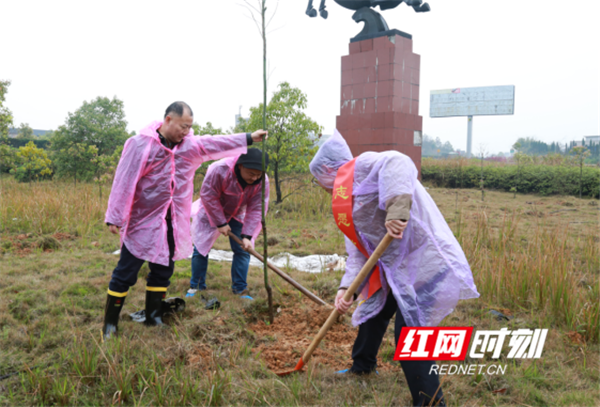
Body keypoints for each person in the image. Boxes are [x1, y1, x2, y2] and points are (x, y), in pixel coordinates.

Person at [309, 130, 479, 407]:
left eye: (321, 181)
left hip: (424, 264)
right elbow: (356, 254)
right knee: (373, 311)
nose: (324, 188)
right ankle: (362, 366)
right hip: (394, 271)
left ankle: (431, 402)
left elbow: (399, 162)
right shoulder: (347, 202)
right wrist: (345, 289)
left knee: (410, 332)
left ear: (330, 170)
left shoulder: (366, 166)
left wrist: (397, 208)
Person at [102, 101, 267, 339]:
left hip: (172, 221)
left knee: (163, 269)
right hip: (142, 220)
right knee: (126, 271)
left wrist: (249, 138)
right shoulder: (140, 144)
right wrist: (115, 216)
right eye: (183, 126)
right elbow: (124, 180)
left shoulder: (190, 146)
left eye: (190, 127)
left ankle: (154, 316)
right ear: (168, 120)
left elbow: (216, 142)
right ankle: (110, 324)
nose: (186, 132)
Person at [187, 148, 269, 300]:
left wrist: (246, 235)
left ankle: (240, 289)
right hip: (210, 211)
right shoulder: (220, 170)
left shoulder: (262, 180)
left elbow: (256, 208)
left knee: (243, 249)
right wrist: (220, 222)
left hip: (237, 213)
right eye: (251, 173)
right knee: (201, 248)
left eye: (258, 174)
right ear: (240, 166)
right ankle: (196, 286)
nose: (254, 178)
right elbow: (208, 195)